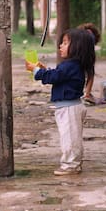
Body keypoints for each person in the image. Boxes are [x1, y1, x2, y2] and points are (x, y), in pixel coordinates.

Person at [25, 28, 96, 175]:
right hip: (67, 107)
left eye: (65, 43)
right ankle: (73, 163)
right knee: (70, 136)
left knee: (69, 138)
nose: (60, 46)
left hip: (69, 108)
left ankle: (71, 165)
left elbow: (55, 77)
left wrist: (36, 71)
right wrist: (44, 70)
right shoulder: (72, 65)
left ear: (77, 47)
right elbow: (57, 76)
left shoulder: (70, 65)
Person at [77, 22, 103, 105]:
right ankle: (87, 94)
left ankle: (79, 93)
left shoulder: (80, 34)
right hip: (89, 55)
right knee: (90, 74)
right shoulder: (91, 35)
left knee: (78, 73)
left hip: (77, 54)